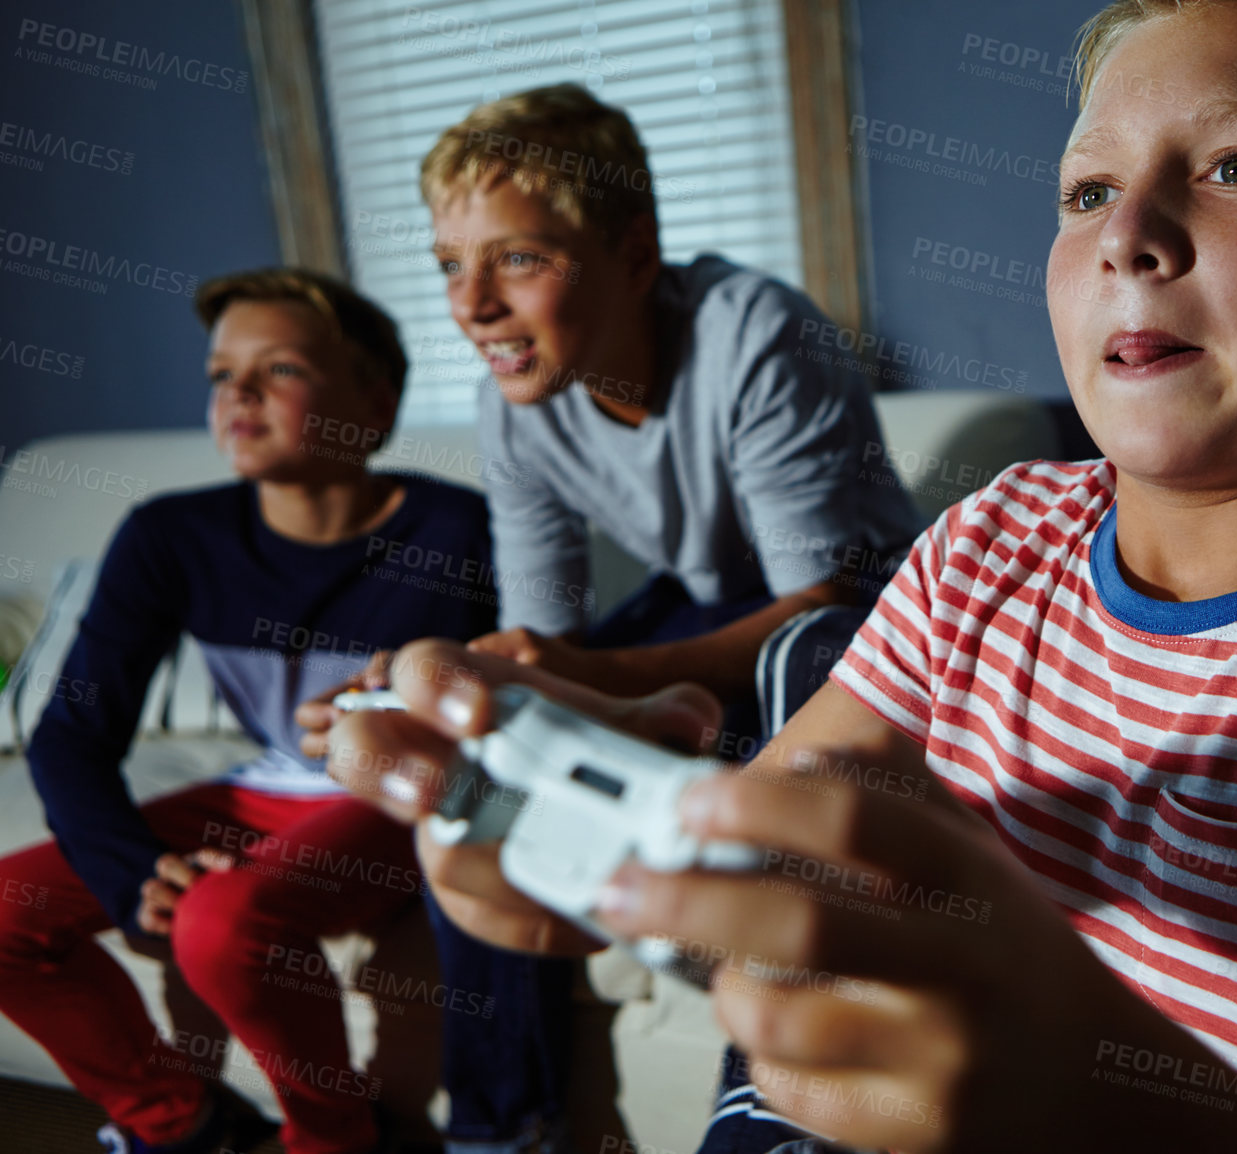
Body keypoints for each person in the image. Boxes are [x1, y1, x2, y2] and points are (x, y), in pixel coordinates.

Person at [325, 1, 1237, 1150]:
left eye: (1236, 164)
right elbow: (801, 819)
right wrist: (593, 819)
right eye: (1087, 189)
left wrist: (1100, 1096)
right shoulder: (993, 539)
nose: (1131, 230)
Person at [299, 84, 924, 1154]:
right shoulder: (515, 399)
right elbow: (543, 628)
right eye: (453, 264)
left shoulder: (754, 330)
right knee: (484, 738)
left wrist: (595, 673)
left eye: (520, 259)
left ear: (634, 256)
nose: (474, 304)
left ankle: (771, 1100)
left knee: (772, 696)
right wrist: (459, 686)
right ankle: (509, 1129)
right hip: (703, 593)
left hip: (857, 606)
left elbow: (819, 601)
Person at [0, 270, 497, 1154]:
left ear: (372, 403)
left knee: (221, 921)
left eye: (279, 370)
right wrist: (130, 868)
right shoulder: (169, 535)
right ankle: (183, 1127)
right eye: (221, 375)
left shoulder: (454, 530)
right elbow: (74, 728)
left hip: (390, 798)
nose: (238, 393)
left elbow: (500, 718)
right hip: (267, 788)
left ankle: (335, 1138)